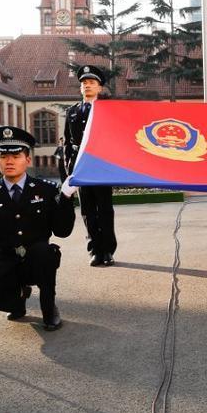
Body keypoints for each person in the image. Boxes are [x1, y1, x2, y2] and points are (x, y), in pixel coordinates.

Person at [0, 126, 78, 330]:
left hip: (37, 259)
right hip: (6, 259)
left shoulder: (46, 190)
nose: (9, 161)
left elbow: (62, 231)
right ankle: (17, 299)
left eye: (16, 155)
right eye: (3, 155)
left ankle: (49, 307)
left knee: (45, 253)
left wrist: (65, 199)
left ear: (27, 160)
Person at [64, 65, 117, 267]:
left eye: (91, 83)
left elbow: (114, 139)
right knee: (87, 210)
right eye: (84, 83)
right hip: (81, 165)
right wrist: (69, 170)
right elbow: (68, 143)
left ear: (99, 88)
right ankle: (95, 250)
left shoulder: (107, 111)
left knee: (104, 209)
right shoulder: (72, 112)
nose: (87, 86)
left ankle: (108, 251)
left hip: (101, 165)